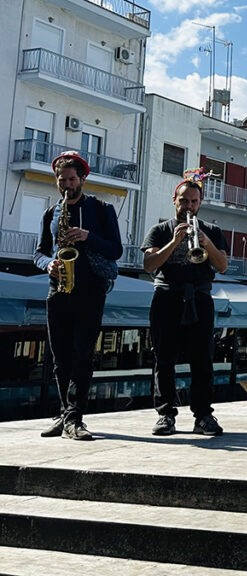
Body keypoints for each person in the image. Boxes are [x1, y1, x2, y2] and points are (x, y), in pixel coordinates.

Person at [34, 151, 123, 440]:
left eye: (72, 179)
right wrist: (48, 264)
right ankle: (64, 415)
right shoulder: (51, 213)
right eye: (62, 180)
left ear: (82, 178)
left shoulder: (101, 209)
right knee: (60, 358)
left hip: (90, 290)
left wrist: (88, 237)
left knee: (82, 355)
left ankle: (75, 417)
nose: (67, 185)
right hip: (58, 289)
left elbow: (116, 250)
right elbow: (38, 252)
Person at [142, 170, 228, 437]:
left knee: (202, 359)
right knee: (164, 359)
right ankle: (166, 414)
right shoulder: (160, 230)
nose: (189, 206)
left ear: (200, 202)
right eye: (184, 201)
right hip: (167, 296)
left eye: (194, 201)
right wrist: (175, 241)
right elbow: (149, 265)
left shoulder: (212, 230)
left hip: (200, 298)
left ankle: (203, 415)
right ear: (174, 200)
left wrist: (207, 244)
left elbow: (223, 266)